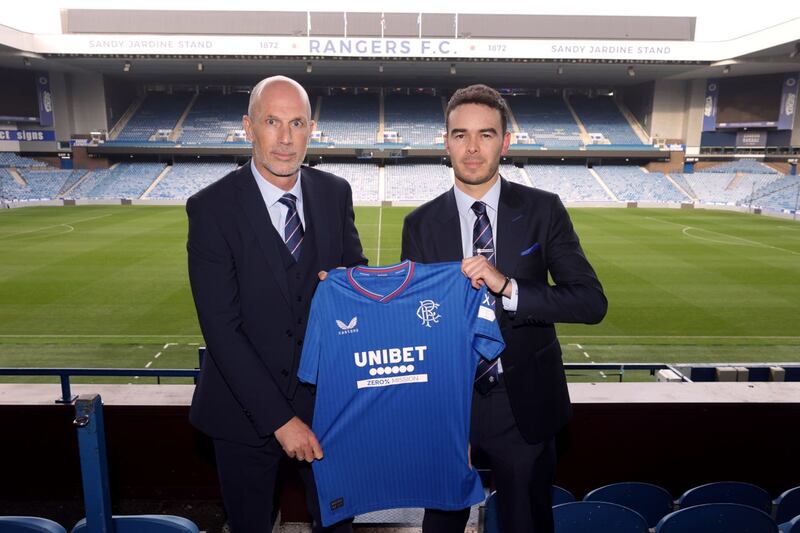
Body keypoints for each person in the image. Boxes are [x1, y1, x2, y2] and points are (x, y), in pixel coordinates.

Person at [401, 84, 607, 533]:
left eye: (486, 134)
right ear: (446, 142)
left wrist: (509, 287)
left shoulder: (543, 210)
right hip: (450, 406)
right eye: (460, 135)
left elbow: (591, 302)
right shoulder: (418, 224)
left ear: (506, 142)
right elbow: (419, 321)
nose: (472, 148)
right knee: (440, 525)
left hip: (524, 404)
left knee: (524, 524)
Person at [186, 75, 366, 533]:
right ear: (249, 127)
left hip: (327, 406)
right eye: (272, 121)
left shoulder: (335, 193)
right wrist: (280, 420)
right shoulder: (211, 209)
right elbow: (222, 330)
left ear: (312, 128)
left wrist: (353, 287)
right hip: (242, 414)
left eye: (297, 123)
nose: (286, 138)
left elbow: (355, 284)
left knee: (337, 523)